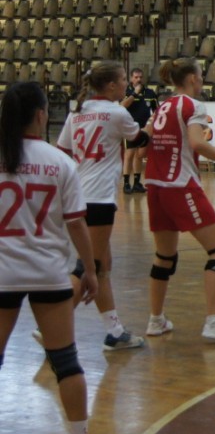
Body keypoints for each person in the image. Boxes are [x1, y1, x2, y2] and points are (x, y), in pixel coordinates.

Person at [0, 82, 99, 434]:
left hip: (3, 274)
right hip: (49, 274)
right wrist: (90, 270)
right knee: (65, 361)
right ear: (41, 115)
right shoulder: (59, 162)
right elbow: (76, 224)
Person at [143, 57, 215, 342]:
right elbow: (197, 143)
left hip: (155, 186)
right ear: (192, 78)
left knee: (164, 256)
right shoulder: (193, 105)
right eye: (201, 75)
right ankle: (214, 321)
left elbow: (143, 144)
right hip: (180, 186)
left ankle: (156, 320)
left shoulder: (163, 105)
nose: (202, 80)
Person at [57, 61, 150, 351]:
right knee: (89, 266)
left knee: (103, 266)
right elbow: (140, 139)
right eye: (122, 80)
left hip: (78, 195)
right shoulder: (116, 112)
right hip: (99, 198)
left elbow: (63, 150)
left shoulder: (78, 112)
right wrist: (155, 123)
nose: (126, 84)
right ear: (110, 85)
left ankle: (114, 331)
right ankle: (50, 326)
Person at [122, 67, 157, 193]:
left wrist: (150, 124)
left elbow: (156, 111)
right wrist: (134, 94)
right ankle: (126, 183)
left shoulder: (150, 93)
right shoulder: (126, 92)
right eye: (136, 77)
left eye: (141, 77)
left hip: (144, 129)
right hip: (129, 128)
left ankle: (137, 183)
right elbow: (122, 106)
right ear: (131, 78)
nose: (139, 79)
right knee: (129, 155)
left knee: (139, 156)